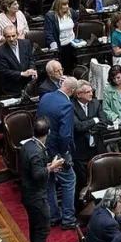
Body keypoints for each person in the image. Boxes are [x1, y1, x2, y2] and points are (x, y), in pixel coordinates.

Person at [20, 116, 63, 242]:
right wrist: (51, 168)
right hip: (36, 197)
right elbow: (37, 175)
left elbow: (33, 168)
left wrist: (48, 166)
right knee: (42, 228)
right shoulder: (37, 152)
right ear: (48, 132)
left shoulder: (28, 145)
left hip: (29, 193)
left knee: (35, 225)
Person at [37, 76, 78, 229]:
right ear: (72, 91)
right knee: (69, 180)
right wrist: (64, 153)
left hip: (42, 146)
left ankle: (54, 216)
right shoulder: (66, 105)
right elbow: (65, 135)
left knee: (49, 182)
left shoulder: (46, 97)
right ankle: (68, 219)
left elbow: (38, 120)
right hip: (57, 151)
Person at [72, 81, 107, 192]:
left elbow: (104, 122)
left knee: (100, 179)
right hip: (80, 150)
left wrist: (90, 130)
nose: (91, 94)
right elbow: (78, 126)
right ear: (79, 94)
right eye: (88, 92)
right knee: (83, 183)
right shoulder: (71, 106)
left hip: (97, 148)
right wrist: (94, 120)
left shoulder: (95, 103)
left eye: (91, 91)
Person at [0, 25, 37, 97]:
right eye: (8, 37)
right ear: (4, 37)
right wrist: (21, 73)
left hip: (28, 84)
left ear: (17, 34)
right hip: (12, 87)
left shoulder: (26, 43)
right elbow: (4, 71)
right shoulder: (0, 51)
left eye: (13, 36)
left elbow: (31, 59)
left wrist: (32, 69)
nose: (11, 39)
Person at [44, 0, 79, 67]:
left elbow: (77, 19)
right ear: (58, 6)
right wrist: (53, 45)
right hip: (60, 46)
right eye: (64, 4)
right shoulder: (51, 16)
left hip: (72, 44)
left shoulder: (71, 12)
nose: (67, 6)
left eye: (67, 4)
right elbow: (48, 32)